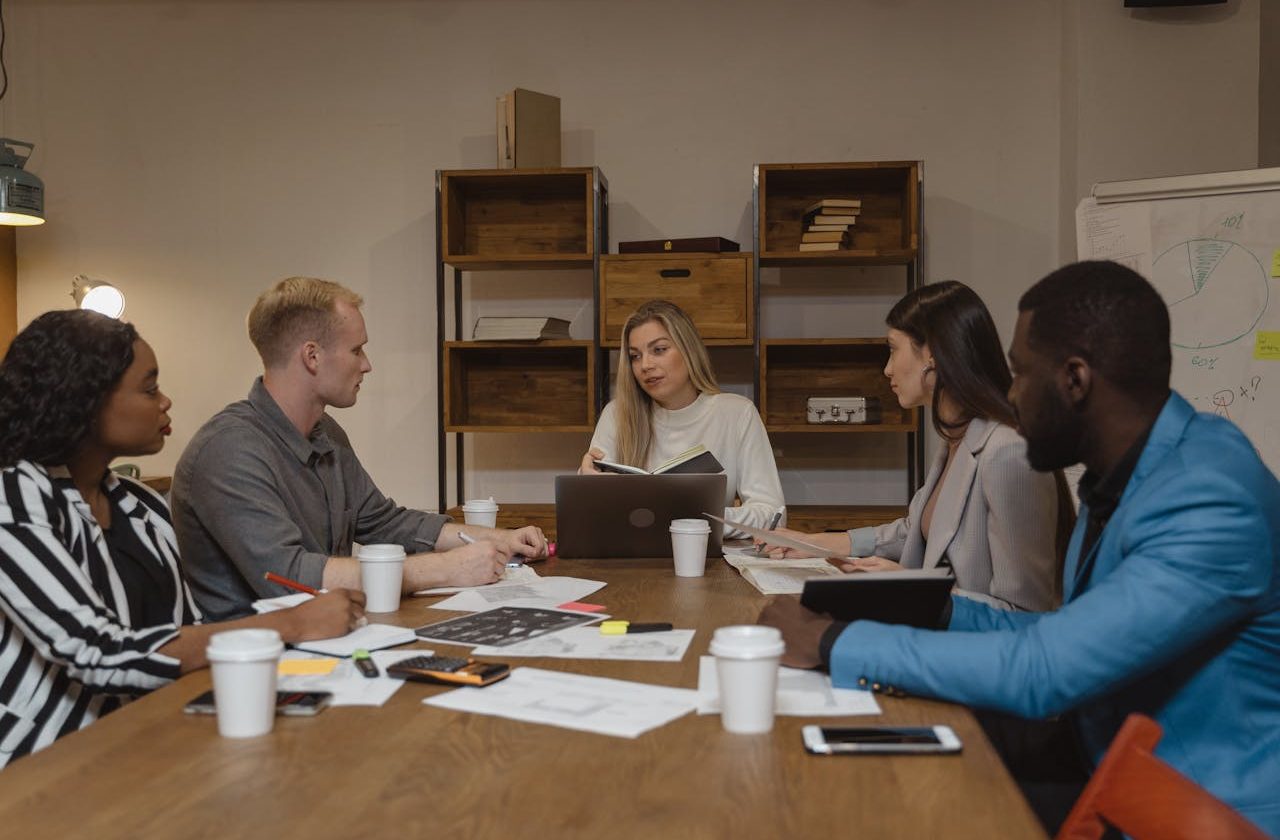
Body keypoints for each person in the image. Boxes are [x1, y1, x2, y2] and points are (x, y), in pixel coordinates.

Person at [759, 261, 1280, 836]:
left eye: (1020, 374)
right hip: (1099, 757)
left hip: (1191, 810)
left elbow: (1044, 667)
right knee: (845, 778)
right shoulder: (1127, 476)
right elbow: (1055, 633)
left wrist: (833, 641)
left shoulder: (1210, 498)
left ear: (1074, 380)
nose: (1009, 395)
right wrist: (931, 606)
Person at [0, 310, 365, 768]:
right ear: (85, 400)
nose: (165, 401)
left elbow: (187, 632)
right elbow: (100, 652)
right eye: (149, 389)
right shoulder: (14, 499)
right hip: (43, 764)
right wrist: (292, 624)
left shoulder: (139, 503)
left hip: (149, 741)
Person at [172, 277, 547, 621]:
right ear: (312, 356)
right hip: (256, 663)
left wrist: (497, 539)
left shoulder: (327, 433)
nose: (366, 365)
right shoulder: (228, 451)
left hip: (330, 638)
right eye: (357, 350)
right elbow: (288, 576)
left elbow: (384, 522)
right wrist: (446, 569)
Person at [763, 281, 1072, 612]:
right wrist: (818, 544)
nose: (887, 368)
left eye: (893, 349)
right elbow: (913, 531)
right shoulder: (956, 438)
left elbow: (1025, 613)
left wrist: (909, 587)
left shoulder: (1008, 452)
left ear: (932, 356)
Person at [577, 299, 784, 536]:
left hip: (705, 559)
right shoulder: (617, 415)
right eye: (635, 356)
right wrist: (586, 485)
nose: (645, 365)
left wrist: (697, 519)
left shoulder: (737, 413)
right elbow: (590, 516)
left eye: (659, 350)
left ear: (688, 350)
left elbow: (772, 515)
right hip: (630, 559)